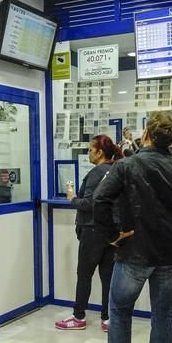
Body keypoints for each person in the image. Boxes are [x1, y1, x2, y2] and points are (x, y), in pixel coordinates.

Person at [85, 112, 172, 343]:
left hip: (134, 250)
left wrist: (112, 235)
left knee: (120, 311)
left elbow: (100, 198)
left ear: (146, 134)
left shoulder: (127, 166)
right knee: (163, 315)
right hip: (169, 252)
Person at [55, 135, 123, 332]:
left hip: (92, 230)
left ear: (100, 152)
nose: (88, 155)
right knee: (107, 276)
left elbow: (90, 203)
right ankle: (107, 318)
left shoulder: (96, 173)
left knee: (84, 274)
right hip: (111, 232)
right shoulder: (116, 171)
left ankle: (78, 316)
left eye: (90, 150)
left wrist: (72, 198)